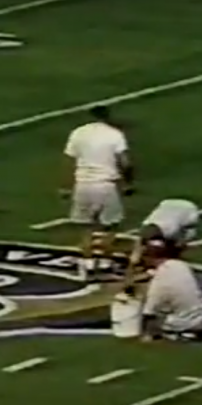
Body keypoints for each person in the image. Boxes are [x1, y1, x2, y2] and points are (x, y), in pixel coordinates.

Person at [62, 105, 134, 281]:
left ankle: (86, 265)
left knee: (86, 229)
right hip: (105, 185)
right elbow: (125, 162)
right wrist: (128, 182)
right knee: (110, 226)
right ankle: (105, 263)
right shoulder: (114, 134)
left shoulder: (78, 133)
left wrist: (65, 186)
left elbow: (69, 161)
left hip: (83, 184)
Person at [138, 240, 202, 342]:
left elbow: (148, 313)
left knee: (157, 310)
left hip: (183, 322)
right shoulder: (180, 265)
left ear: (149, 258)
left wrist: (145, 335)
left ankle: (183, 333)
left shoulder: (158, 285)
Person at [126, 198, 199, 275]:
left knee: (177, 248)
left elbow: (180, 244)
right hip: (167, 205)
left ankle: (175, 267)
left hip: (188, 210)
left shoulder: (172, 231)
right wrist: (133, 261)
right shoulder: (146, 227)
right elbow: (138, 246)